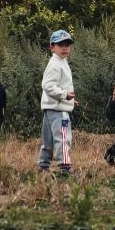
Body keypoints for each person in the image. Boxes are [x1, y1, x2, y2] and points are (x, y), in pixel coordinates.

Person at [39, 29, 76, 174]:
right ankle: (65, 167)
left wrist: (71, 100)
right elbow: (47, 86)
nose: (64, 47)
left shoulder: (60, 62)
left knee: (47, 141)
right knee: (63, 138)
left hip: (51, 108)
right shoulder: (56, 64)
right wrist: (64, 95)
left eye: (67, 44)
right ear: (52, 47)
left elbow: (60, 86)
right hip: (59, 111)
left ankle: (43, 166)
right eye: (60, 44)